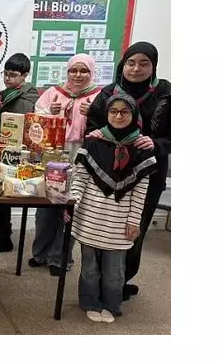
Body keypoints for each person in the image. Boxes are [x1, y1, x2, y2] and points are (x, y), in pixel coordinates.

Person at [85, 42, 170, 301]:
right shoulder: (109, 92)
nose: (136, 68)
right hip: (107, 175)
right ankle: (97, 280)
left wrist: (155, 144)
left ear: (153, 66)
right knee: (101, 227)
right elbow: (91, 126)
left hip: (148, 174)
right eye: (131, 62)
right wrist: (97, 133)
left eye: (144, 63)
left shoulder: (166, 93)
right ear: (123, 64)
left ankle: (120, 281)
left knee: (133, 230)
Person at [70, 93, 157, 323]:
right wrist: (72, 201)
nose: (118, 116)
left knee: (114, 271)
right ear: (106, 114)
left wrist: (133, 220)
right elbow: (80, 177)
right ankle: (89, 301)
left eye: (124, 112)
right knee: (89, 266)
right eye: (113, 111)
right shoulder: (94, 141)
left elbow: (141, 191)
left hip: (118, 222)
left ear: (134, 115)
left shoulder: (141, 147)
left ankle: (111, 304)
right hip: (90, 215)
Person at [30, 54, 101, 275]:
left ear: (91, 73)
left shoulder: (99, 96)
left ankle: (59, 259)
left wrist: (94, 113)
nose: (78, 75)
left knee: (69, 208)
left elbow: (110, 123)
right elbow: (36, 118)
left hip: (81, 154)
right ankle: (39, 253)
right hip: (53, 154)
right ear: (67, 71)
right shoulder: (54, 92)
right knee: (46, 206)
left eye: (84, 71)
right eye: (74, 70)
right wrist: (48, 113)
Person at [0, 53, 40, 253]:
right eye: (5, 74)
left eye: (13, 75)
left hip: (18, 155)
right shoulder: (2, 96)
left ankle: (4, 237)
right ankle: (3, 235)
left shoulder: (31, 98)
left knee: (4, 196)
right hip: (0, 150)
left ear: (24, 75)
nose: (8, 78)